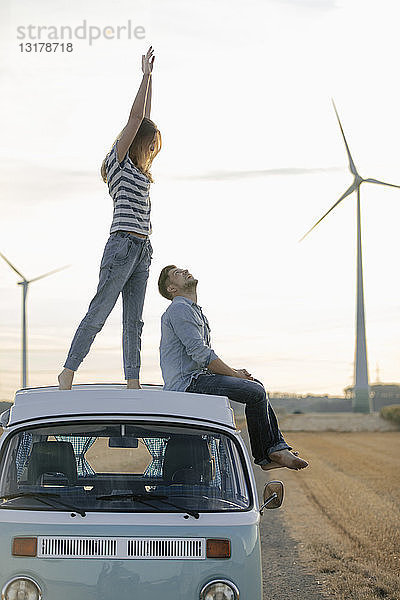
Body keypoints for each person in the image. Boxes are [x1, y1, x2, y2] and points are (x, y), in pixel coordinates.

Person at [58, 46, 161, 391]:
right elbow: (135, 121)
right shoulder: (118, 162)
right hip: (121, 246)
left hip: (143, 249)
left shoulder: (141, 172)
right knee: (99, 313)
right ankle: (68, 370)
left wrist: (153, 82)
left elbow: (144, 120)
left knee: (135, 321)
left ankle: (133, 379)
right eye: (149, 145)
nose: (151, 150)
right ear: (134, 143)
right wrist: (143, 77)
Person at [157, 265, 308, 471]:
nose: (184, 271)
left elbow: (202, 358)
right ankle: (270, 452)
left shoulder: (192, 310)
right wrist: (235, 374)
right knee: (254, 391)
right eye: (177, 273)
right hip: (188, 384)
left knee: (255, 385)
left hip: (198, 378)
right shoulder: (179, 309)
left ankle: (273, 450)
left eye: (183, 269)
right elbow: (201, 354)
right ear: (171, 289)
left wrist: (237, 373)